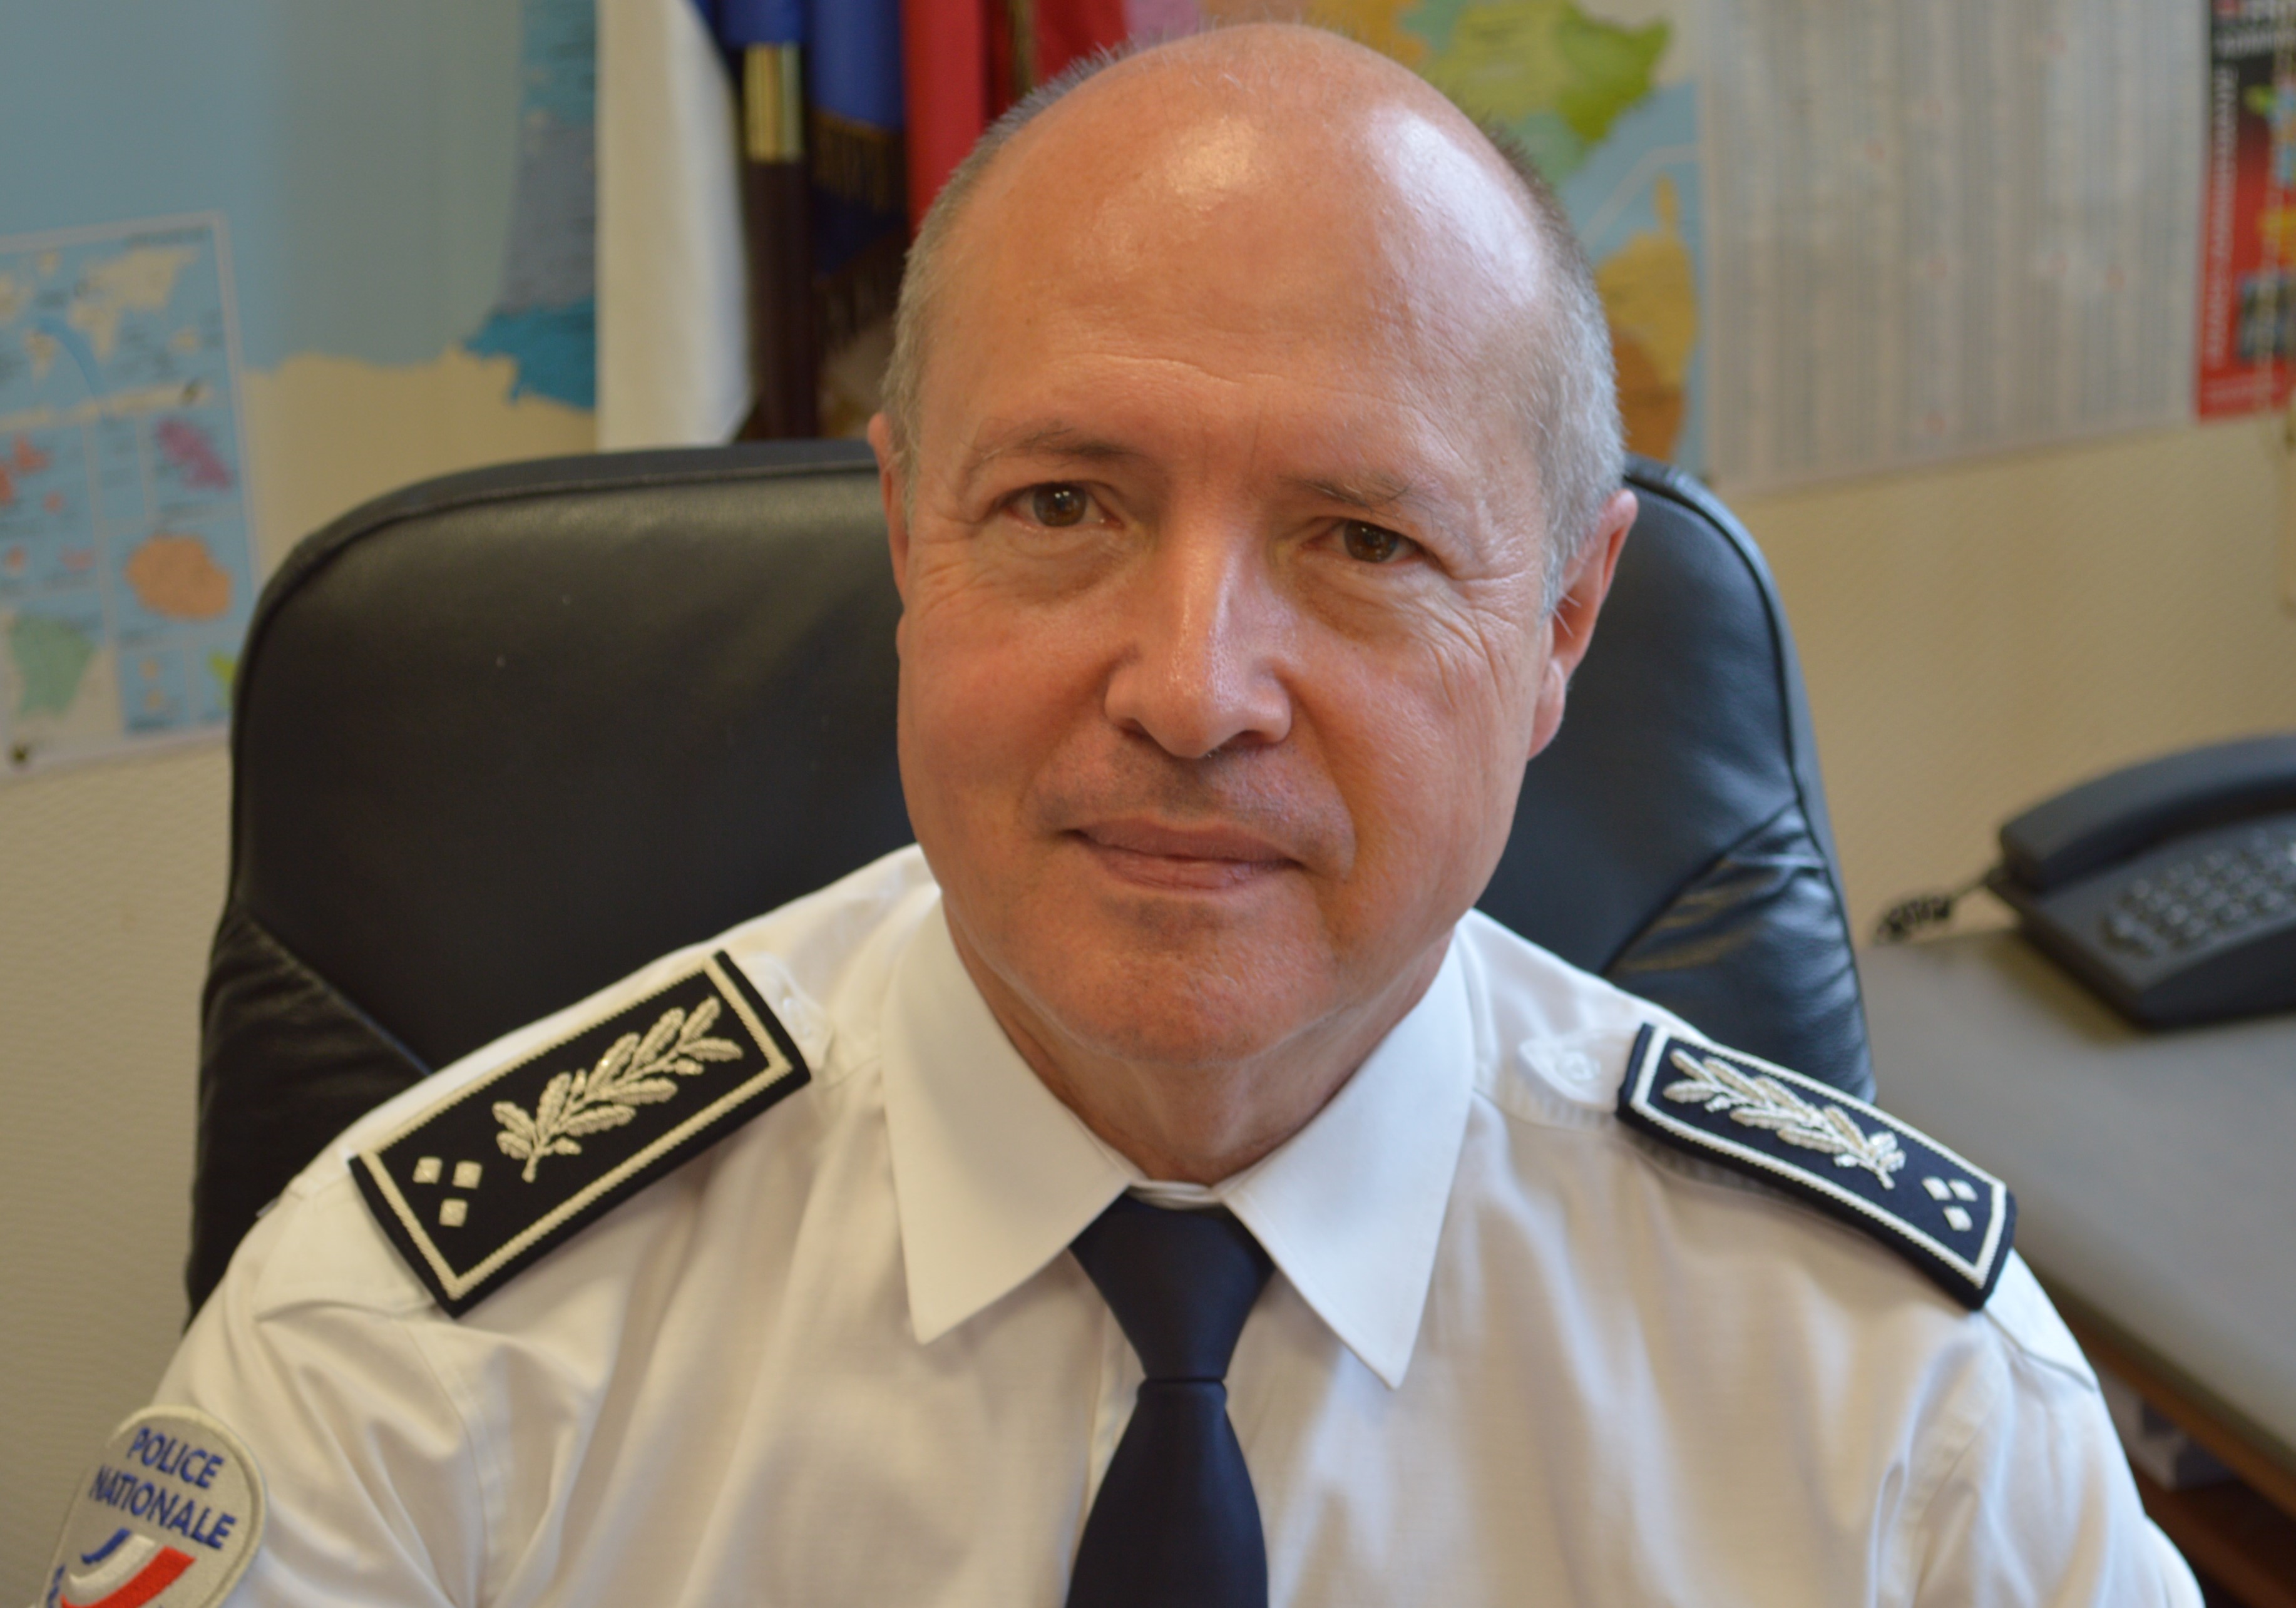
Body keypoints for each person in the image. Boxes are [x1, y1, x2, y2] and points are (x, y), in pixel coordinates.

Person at [40, 23, 2196, 1608]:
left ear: (1561, 621)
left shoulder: (1898, 1402)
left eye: (1362, 539)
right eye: (1064, 505)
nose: (1190, 687)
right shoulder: (415, 1353)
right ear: (908, 531)